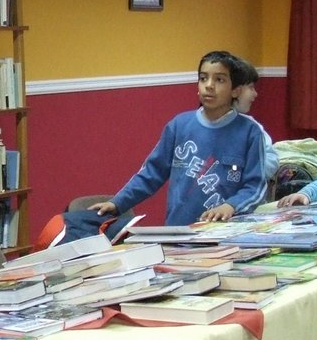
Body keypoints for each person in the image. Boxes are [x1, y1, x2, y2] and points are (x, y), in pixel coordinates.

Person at [87, 50, 268, 227]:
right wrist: (118, 202)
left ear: (235, 90)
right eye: (203, 78)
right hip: (179, 230)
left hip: (225, 232)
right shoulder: (178, 125)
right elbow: (152, 173)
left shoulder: (250, 132)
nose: (209, 85)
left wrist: (231, 206)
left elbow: (256, 187)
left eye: (219, 80)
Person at [229, 56, 281, 187]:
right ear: (234, 90)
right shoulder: (199, 127)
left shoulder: (252, 128)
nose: (255, 94)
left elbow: (272, 160)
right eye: (251, 87)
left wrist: (248, 167)